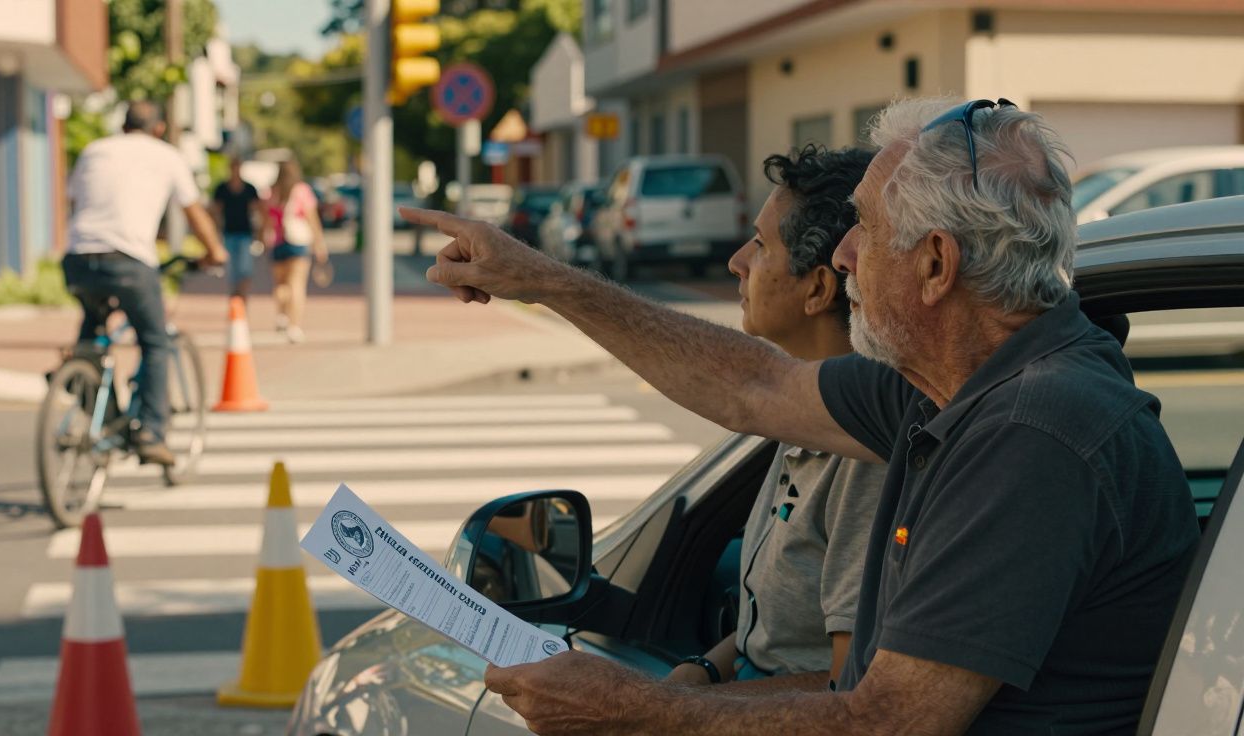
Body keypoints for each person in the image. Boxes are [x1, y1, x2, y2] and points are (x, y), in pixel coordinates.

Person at [401, 96, 1200, 735]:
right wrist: (543, 279)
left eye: (868, 231)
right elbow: (753, 387)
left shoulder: (1032, 431)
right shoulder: (954, 381)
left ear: (934, 266)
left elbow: (886, 722)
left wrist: (634, 710)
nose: (844, 254)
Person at [663, 145, 886, 690]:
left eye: (761, 246)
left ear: (819, 287)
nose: (737, 261)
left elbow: (842, 688)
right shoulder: (800, 415)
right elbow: (766, 635)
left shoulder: (864, 455)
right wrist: (702, 670)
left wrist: (665, 712)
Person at [63, 101, 227, 467]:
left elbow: (75, 200)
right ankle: (152, 433)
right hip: (129, 260)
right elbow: (194, 210)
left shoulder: (94, 150)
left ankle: (82, 378)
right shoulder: (166, 155)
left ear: (123, 126)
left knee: (93, 328)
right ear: (157, 129)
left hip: (77, 259)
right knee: (155, 342)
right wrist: (215, 250)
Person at [262, 159, 328, 343]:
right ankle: (294, 326)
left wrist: (262, 239)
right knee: (296, 285)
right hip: (297, 242)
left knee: (280, 285)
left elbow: (266, 219)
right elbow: (312, 219)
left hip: (277, 242)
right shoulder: (302, 190)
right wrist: (319, 243)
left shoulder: (271, 192)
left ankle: (282, 314)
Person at [210, 157, 262, 299]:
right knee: (232, 269)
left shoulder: (249, 189)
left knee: (245, 269)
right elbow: (215, 210)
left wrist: (260, 232)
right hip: (228, 232)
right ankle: (235, 298)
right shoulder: (222, 189)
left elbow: (257, 210)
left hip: (245, 233)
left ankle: (242, 296)